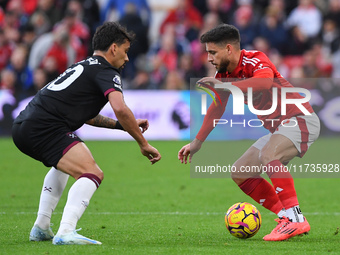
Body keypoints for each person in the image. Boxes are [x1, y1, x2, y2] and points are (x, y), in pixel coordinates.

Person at [12, 22, 161, 245]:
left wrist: (122, 126)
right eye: (125, 51)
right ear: (113, 48)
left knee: (61, 165)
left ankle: (41, 227)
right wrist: (143, 143)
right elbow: (120, 108)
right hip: (45, 127)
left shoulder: (82, 65)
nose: (127, 58)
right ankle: (66, 232)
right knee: (92, 172)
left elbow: (87, 115)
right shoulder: (106, 71)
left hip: (23, 126)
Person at [178, 24, 320, 241]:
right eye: (207, 52)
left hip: (300, 119)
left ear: (228, 49)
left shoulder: (255, 59)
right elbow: (217, 107)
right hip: (279, 128)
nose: (208, 58)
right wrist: (197, 142)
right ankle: (285, 217)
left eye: (212, 52)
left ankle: (296, 220)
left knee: (268, 155)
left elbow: (263, 83)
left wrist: (225, 86)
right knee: (241, 171)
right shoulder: (223, 74)